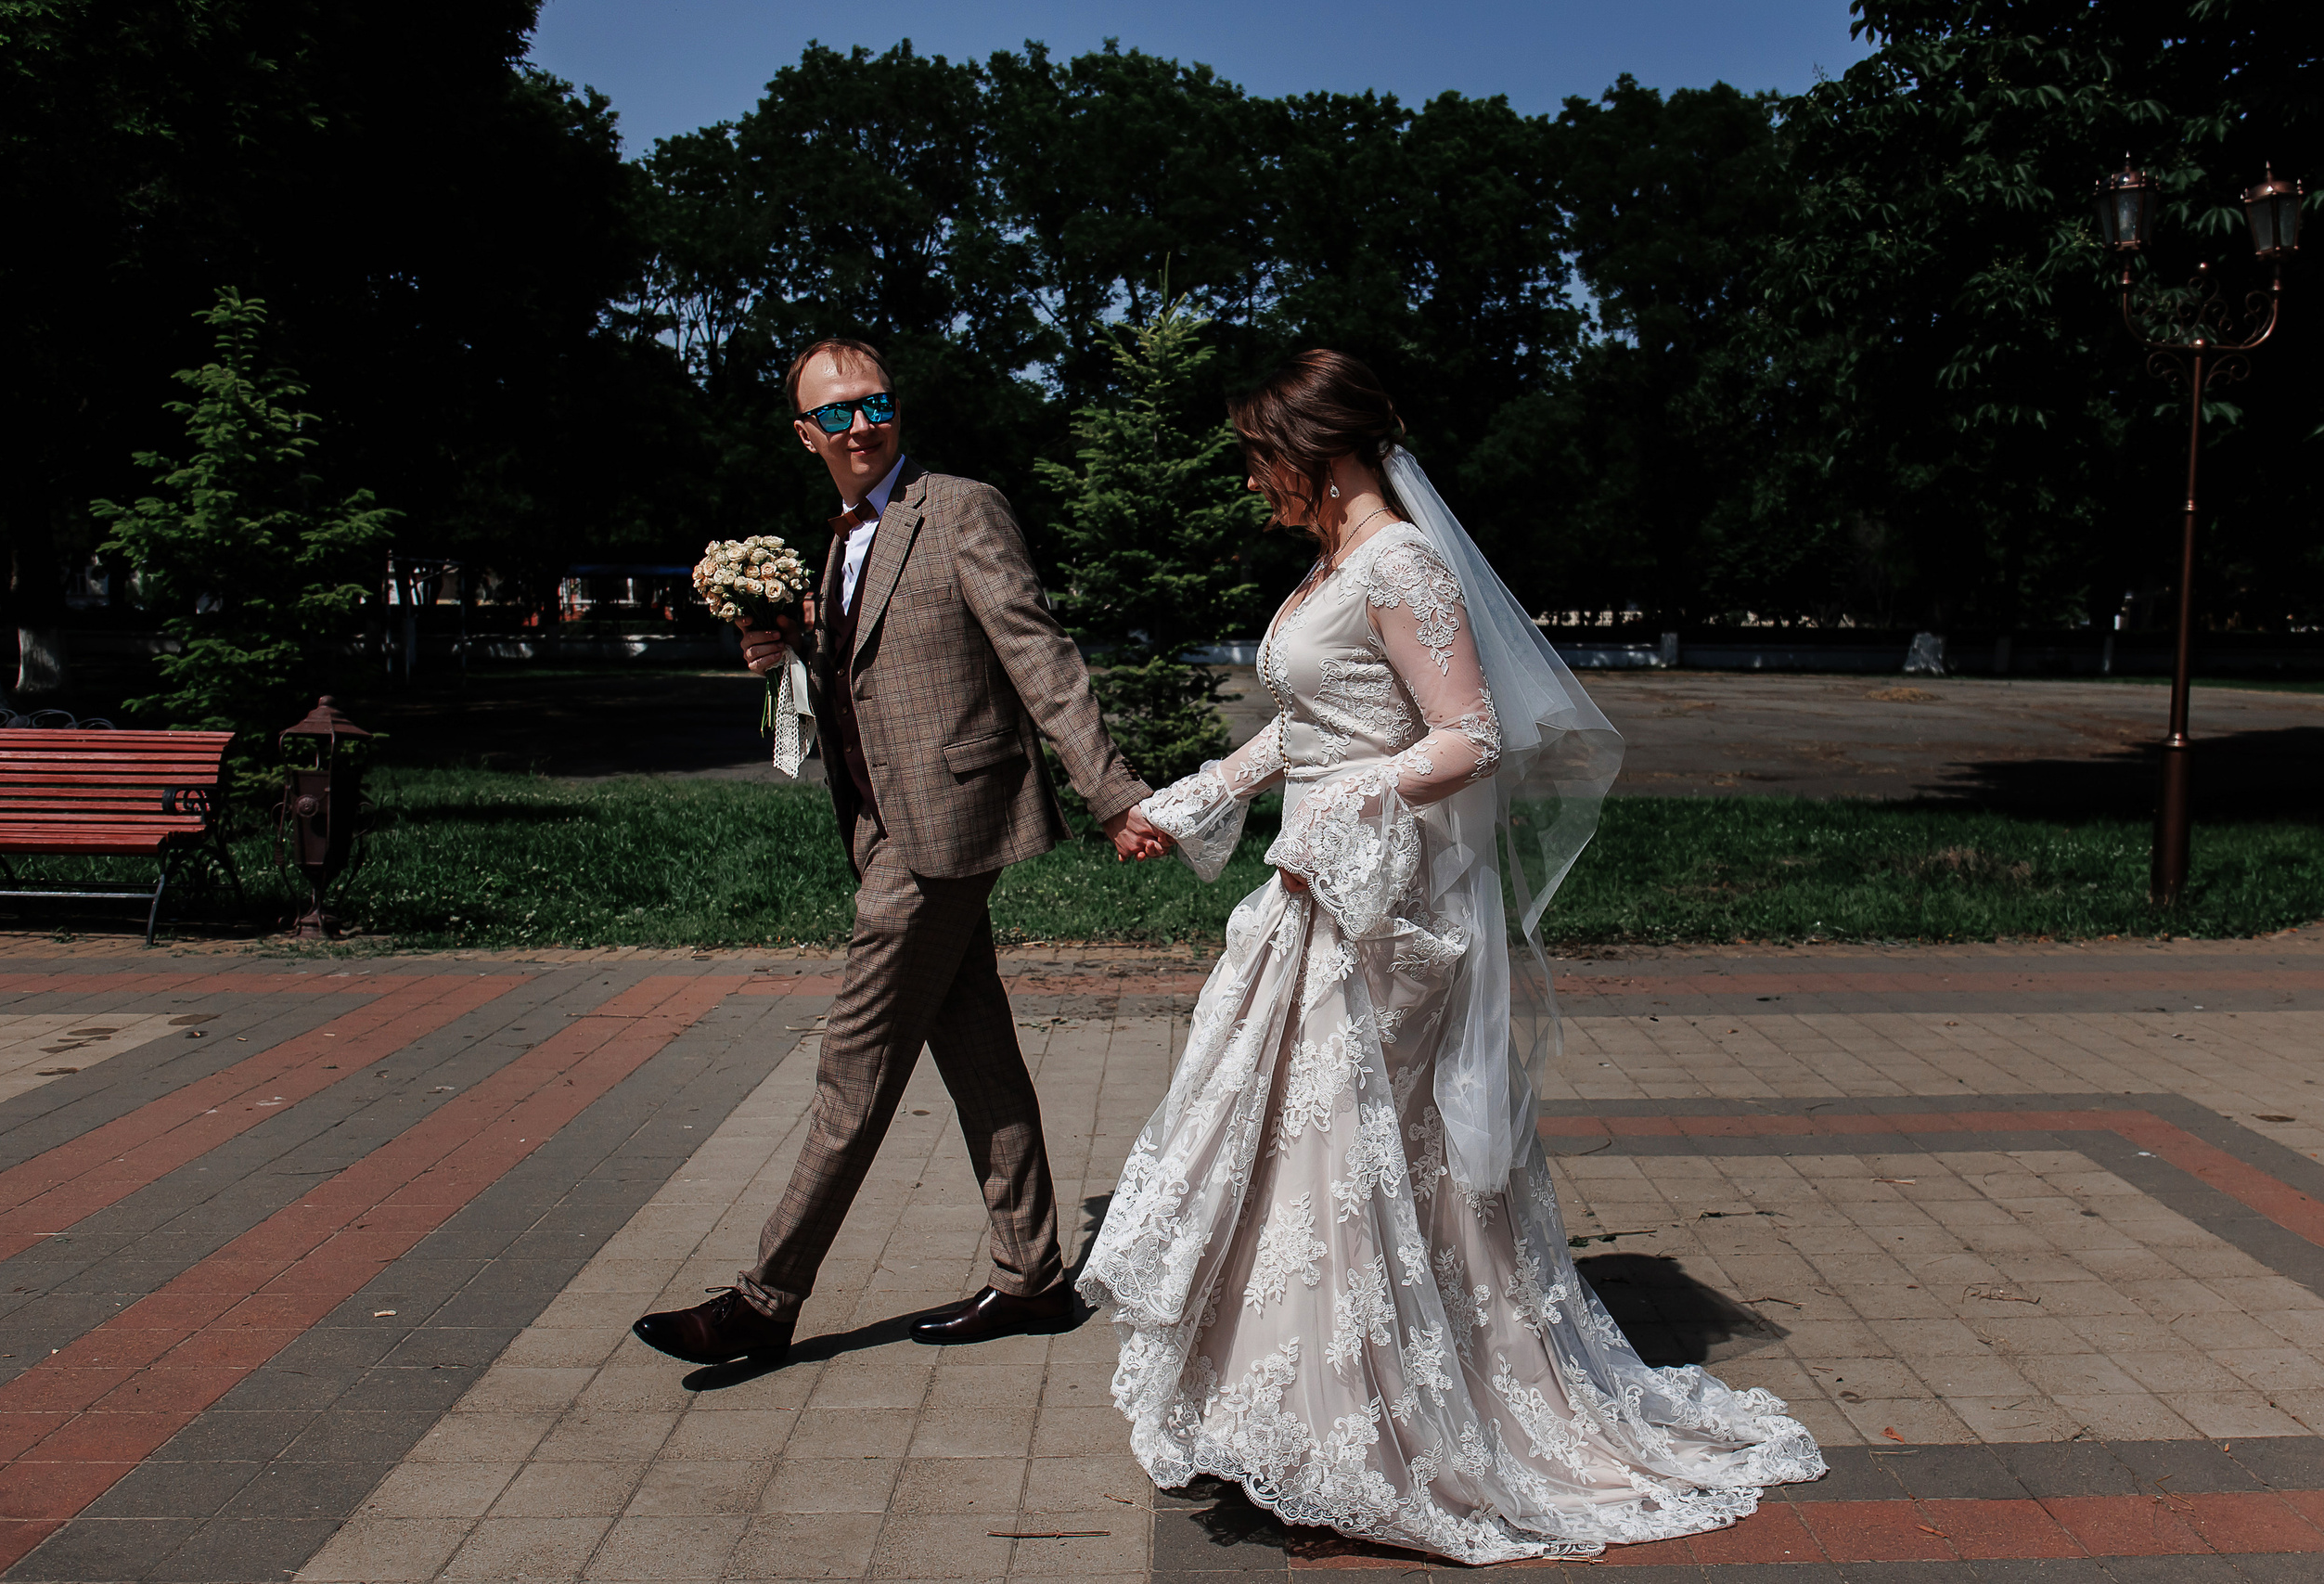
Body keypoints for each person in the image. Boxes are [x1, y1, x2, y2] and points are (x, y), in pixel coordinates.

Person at [1077, 352, 1823, 1564]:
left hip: (1380, 908)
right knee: (1303, 1158)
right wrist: (1205, 789)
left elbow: (1468, 737)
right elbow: (1309, 720)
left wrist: (1348, 804)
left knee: (1363, 1163)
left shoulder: (1402, 563)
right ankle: (1295, 1423)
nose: (1252, 483)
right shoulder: (1337, 564)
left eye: (1261, 459)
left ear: (1318, 449)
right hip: (1317, 892)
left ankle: (1370, 1443)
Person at [634, 338, 1166, 1366]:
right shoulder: (841, 539)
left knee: (854, 1062)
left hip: (945, 831)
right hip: (885, 828)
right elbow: (856, 683)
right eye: (834, 414)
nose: (860, 425)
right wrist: (784, 652)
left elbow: (1038, 654)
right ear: (806, 435)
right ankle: (1034, 1279)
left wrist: (1112, 793)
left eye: (873, 403)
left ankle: (765, 1298)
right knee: (977, 1053)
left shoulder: (959, 506)